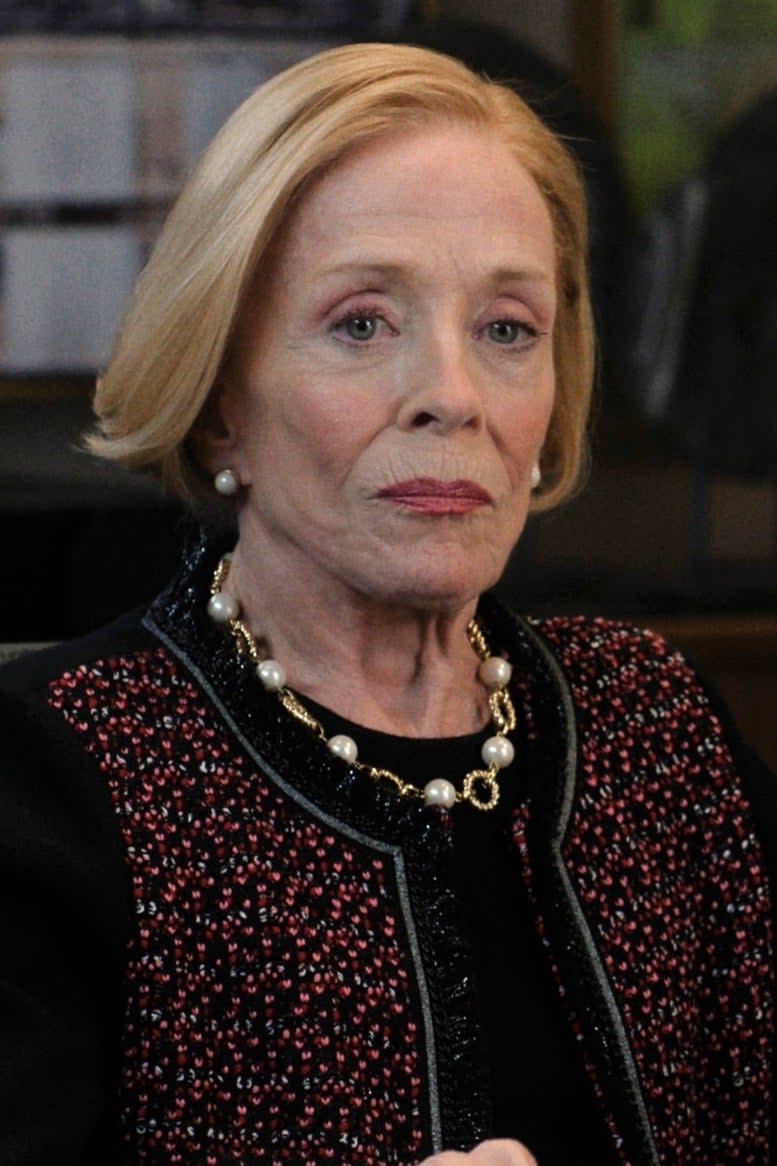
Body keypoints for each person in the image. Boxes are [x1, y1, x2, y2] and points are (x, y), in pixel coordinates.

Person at [0, 41, 774, 1166]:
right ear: (220, 399)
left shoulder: (655, 721)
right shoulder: (56, 772)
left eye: (508, 329)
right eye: (363, 323)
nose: (452, 397)